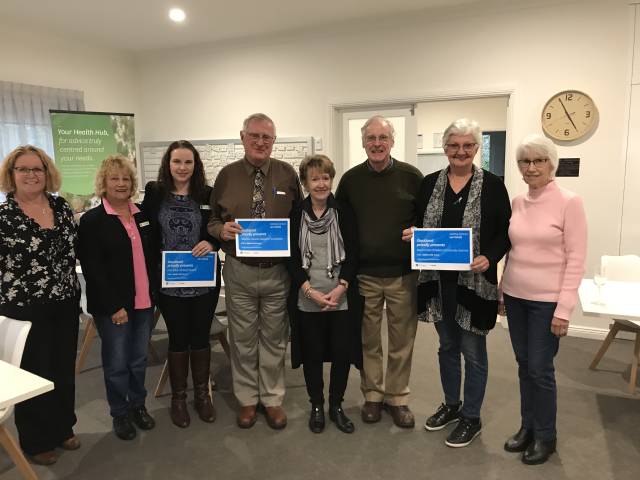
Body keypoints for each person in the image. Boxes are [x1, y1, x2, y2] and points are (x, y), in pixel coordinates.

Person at [403, 118, 511, 447]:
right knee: (447, 347)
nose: (460, 151)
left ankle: (471, 417)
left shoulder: (493, 186)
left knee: (473, 352)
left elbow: (505, 232)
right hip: (438, 283)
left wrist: (490, 257)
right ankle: (452, 405)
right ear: (445, 148)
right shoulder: (429, 184)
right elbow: (416, 220)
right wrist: (413, 233)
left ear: (477, 148)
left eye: (467, 145)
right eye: (453, 145)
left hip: (475, 284)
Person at [208, 113, 302, 429]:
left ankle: (272, 399)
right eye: (255, 136)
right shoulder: (227, 176)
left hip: (278, 272)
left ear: (274, 141)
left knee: (275, 339)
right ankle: (247, 399)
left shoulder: (287, 174)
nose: (261, 142)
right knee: (243, 339)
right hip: (240, 270)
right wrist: (221, 230)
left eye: (267, 137)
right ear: (243, 137)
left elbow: (300, 220)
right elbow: (212, 220)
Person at [499, 134, 587, 464]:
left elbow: (576, 258)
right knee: (524, 366)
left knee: (540, 369)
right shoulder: (518, 202)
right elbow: (513, 252)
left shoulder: (569, 202)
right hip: (516, 296)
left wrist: (564, 309)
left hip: (547, 302)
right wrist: (502, 291)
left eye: (539, 160)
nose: (531, 167)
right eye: (525, 161)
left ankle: (546, 436)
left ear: (552, 164)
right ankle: (528, 428)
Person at [335, 115, 423, 428]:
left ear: (392, 141)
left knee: (402, 340)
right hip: (365, 275)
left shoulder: (412, 177)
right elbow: (339, 223)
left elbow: (427, 219)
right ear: (363, 143)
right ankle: (372, 395)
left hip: (403, 274)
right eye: (370, 138)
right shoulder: (350, 181)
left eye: (382, 137)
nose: (377, 144)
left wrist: (420, 232)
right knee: (368, 339)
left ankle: (397, 398)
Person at [0, 145, 80, 465]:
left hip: (65, 302)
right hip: (24, 308)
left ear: (47, 173)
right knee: (35, 373)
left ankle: (63, 427)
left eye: (37, 168)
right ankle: (35, 441)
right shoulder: (4, 216)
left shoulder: (61, 207)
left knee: (63, 369)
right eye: (23, 169)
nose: (31, 174)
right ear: (12, 174)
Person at [78, 155, 158, 441]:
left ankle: (138, 405)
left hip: (144, 302)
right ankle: (120, 413)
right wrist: (114, 306)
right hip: (115, 307)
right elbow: (93, 269)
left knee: (138, 360)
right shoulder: (93, 220)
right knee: (117, 363)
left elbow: (152, 256)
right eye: (114, 178)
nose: (121, 183)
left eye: (126, 178)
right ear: (104, 182)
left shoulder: (142, 215)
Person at [142, 140, 221, 428]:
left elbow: (218, 228)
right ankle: (178, 398)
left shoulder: (208, 194)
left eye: (188, 162)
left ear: (195, 165)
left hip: (203, 280)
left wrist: (212, 243)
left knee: (200, 337)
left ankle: (202, 396)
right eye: (177, 161)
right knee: (177, 338)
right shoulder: (155, 192)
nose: (182, 167)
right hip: (169, 281)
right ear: (168, 163)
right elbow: (145, 229)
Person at [287, 154, 363, 434]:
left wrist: (341, 287)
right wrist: (308, 290)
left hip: (340, 296)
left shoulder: (344, 211)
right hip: (307, 296)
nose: (321, 183)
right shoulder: (296, 214)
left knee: (342, 353)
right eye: (315, 178)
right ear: (305, 183)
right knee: (312, 354)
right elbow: (291, 257)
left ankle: (336, 405)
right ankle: (317, 405)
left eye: (326, 177)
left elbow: (354, 253)